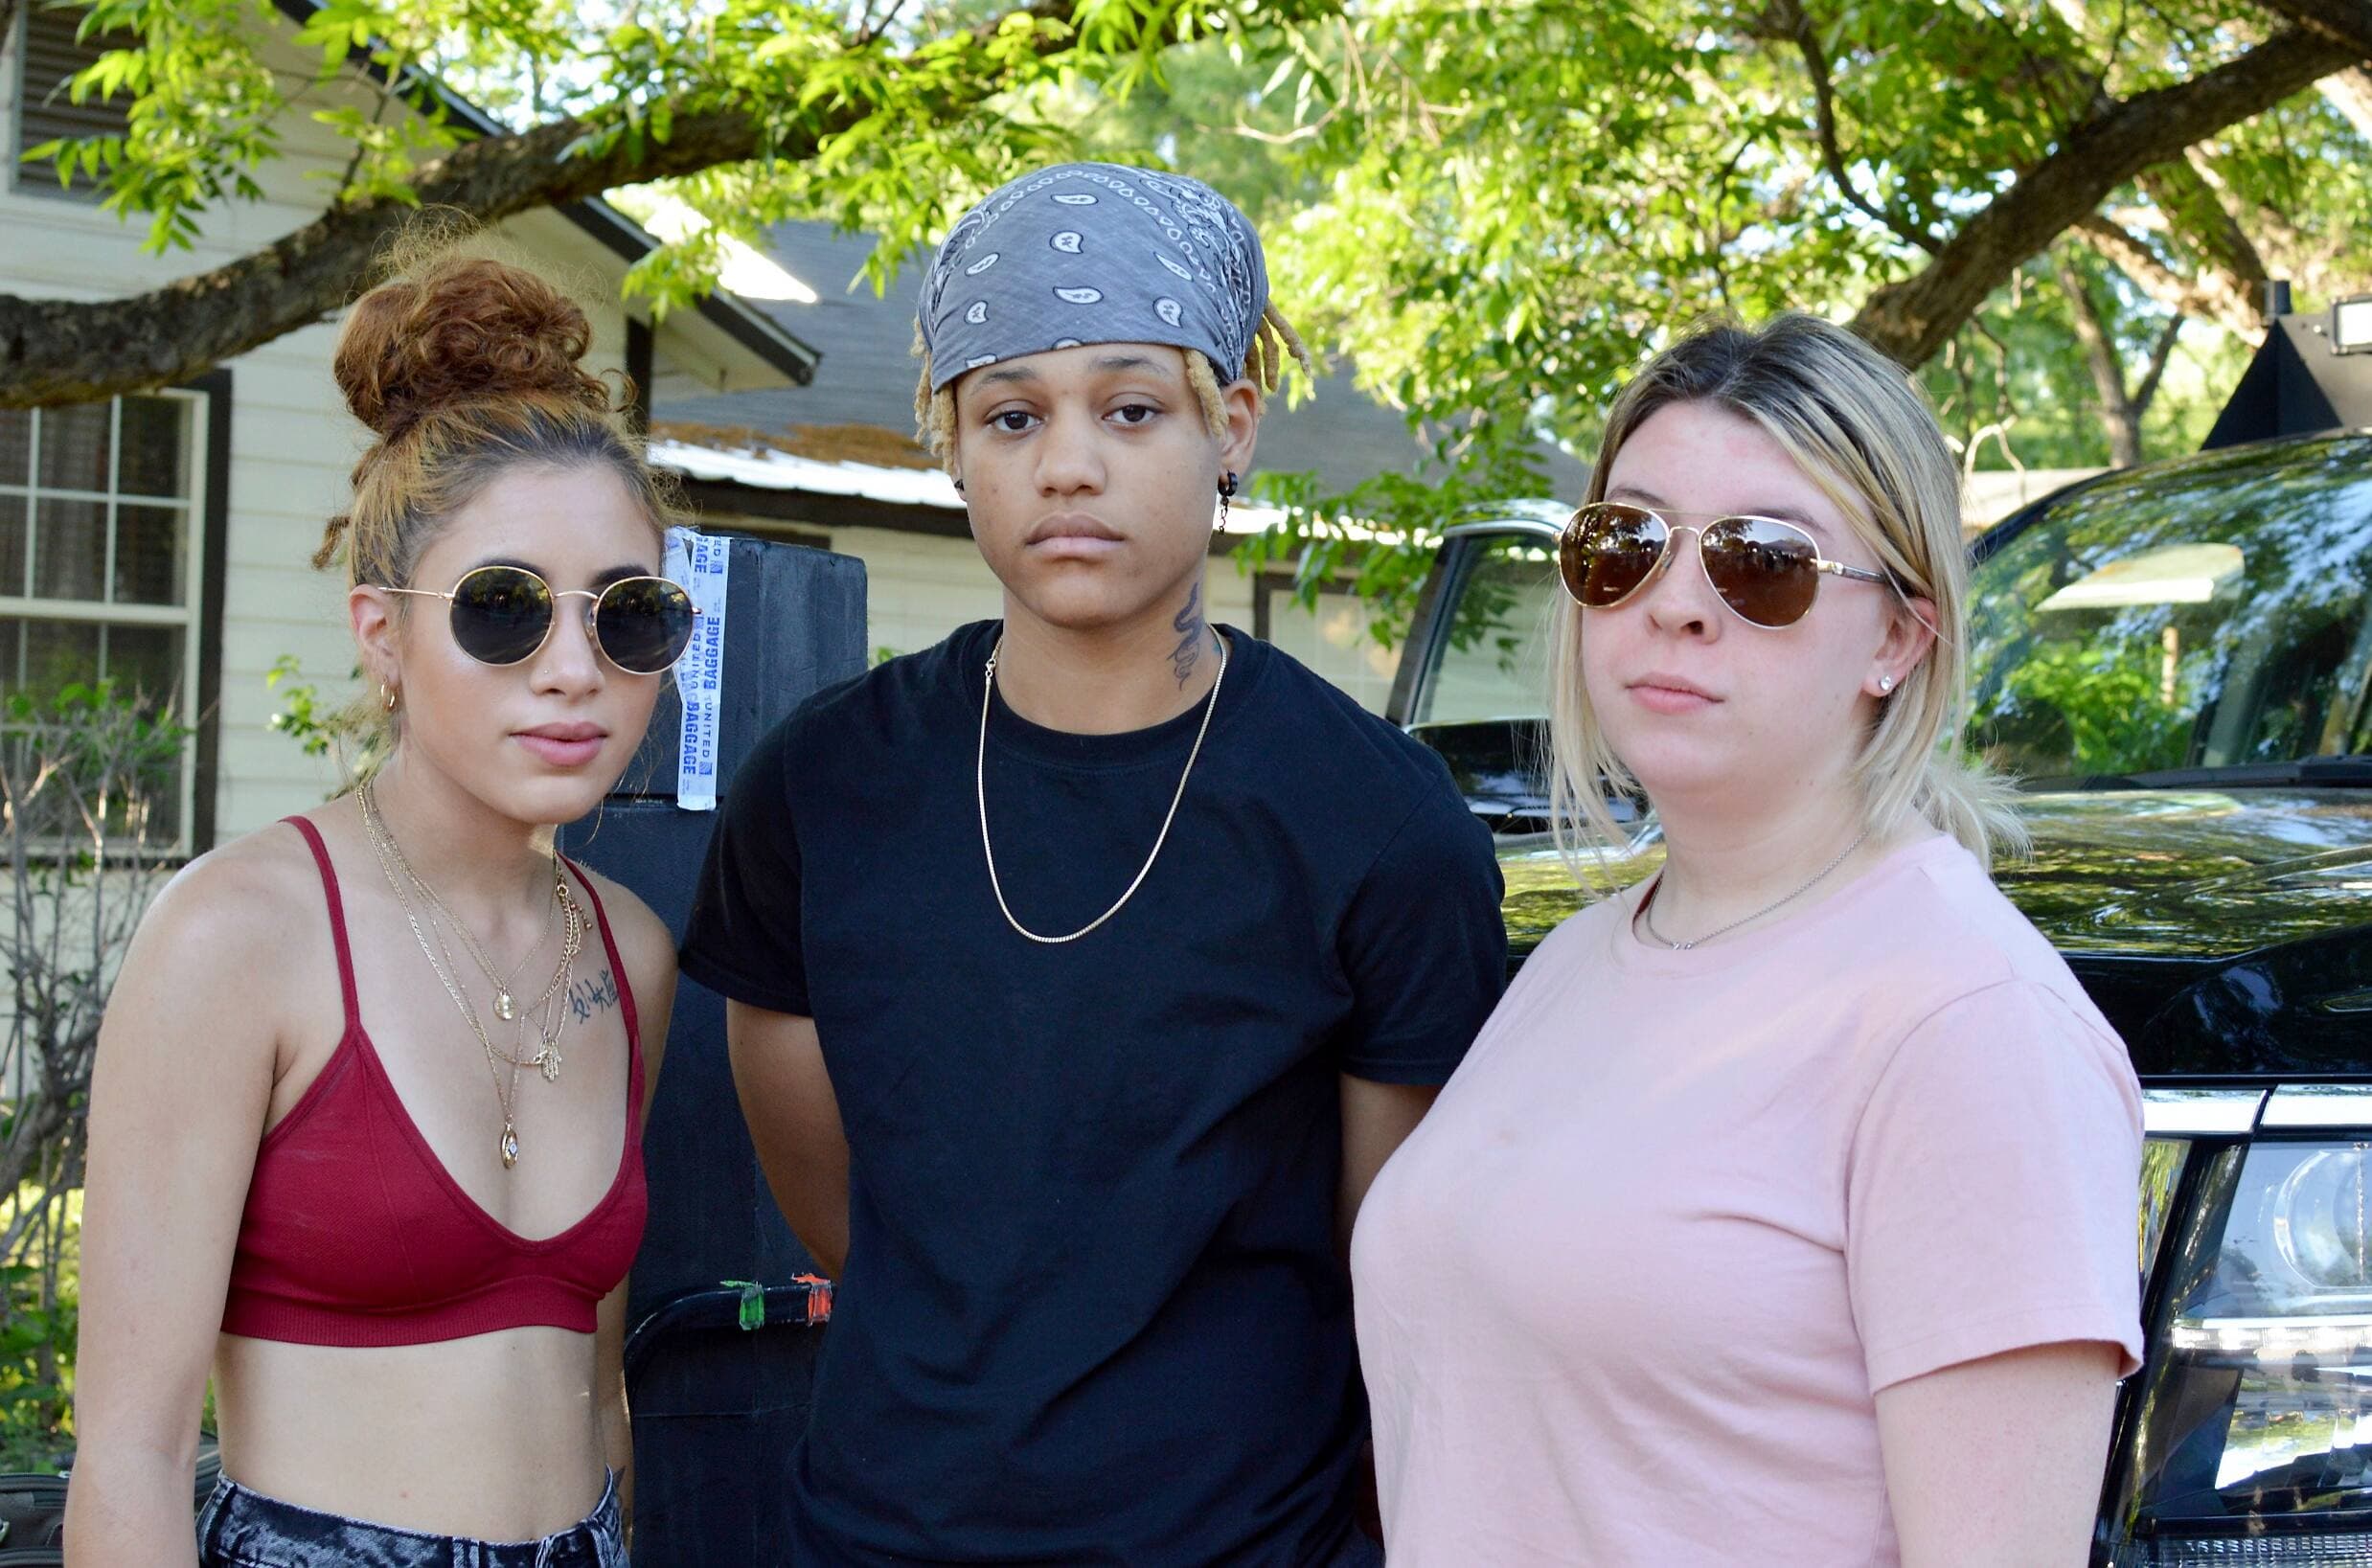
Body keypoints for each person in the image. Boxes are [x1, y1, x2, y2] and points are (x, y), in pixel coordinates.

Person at [681, 161, 1507, 1566]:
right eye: (1013, 414)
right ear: (950, 440)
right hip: (876, 1535)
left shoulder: (1377, 822)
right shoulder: (819, 790)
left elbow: (1401, 1271)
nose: (1069, 463)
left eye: (1132, 408)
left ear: (1231, 425)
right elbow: (836, 1202)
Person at [1351, 314, 2144, 1565]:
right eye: (1628, 544)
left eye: (1762, 561)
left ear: (1899, 635)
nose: (1676, 605)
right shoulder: (1572, 962)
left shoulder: (1967, 1021)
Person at [65, 241, 689, 1568]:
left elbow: (597, 1386)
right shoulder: (240, 935)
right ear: (379, 631)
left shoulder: (626, 953)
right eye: (506, 609)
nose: (575, 668)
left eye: (627, 616)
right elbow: (128, 1455)